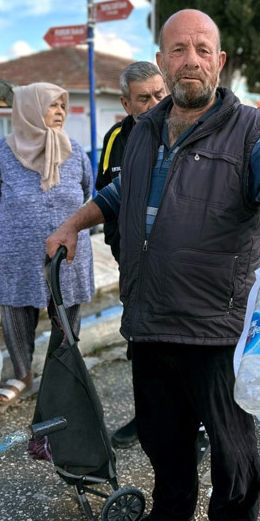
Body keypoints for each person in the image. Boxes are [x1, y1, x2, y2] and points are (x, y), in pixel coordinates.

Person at [47, 9, 260, 521]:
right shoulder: (142, 131)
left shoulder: (252, 130)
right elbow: (118, 195)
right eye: (179, 50)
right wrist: (74, 222)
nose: (191, 61)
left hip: (214, 320)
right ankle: (171, 511)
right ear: (162, 60)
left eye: (202, 50)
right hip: (147, 312)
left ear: (220, 61)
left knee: (231, 441)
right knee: (163, 433)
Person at [0, 83, 95, 406]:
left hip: (67, 250)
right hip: (16, 247)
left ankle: (63, 374)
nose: (59, 112)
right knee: (17, 309)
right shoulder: (1, 153)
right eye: (51, 105)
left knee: (67, 308)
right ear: (29, 109)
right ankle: (22, 374)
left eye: (62, 105)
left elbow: (86, 192)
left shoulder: (74, 151)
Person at [95, 61, 168, 449]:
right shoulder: (116, 139)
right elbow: (106, 200)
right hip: (136, 267)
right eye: (144, 98)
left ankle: (200, 428)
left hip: (180, 266)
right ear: (126, 103)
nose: (155, 103)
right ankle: (146, 417)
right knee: (140, 346)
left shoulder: (186, 131)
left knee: (190, 353)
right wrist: (122, 250)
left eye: (160, 94)